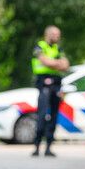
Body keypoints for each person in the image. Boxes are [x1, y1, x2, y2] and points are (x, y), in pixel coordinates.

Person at [31, 26, 69, 157]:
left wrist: (54, 63)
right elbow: (45, 62)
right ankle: (36, 146)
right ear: (47, 34)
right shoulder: (40, 46)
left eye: (58, 34)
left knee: (54, 116)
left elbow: (66, 65)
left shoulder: (58, 48)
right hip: (43, 84)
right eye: (55, 34)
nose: (57, 37)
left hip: (56, 85)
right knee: (41, 116)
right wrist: (56, 63)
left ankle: (48, 147)